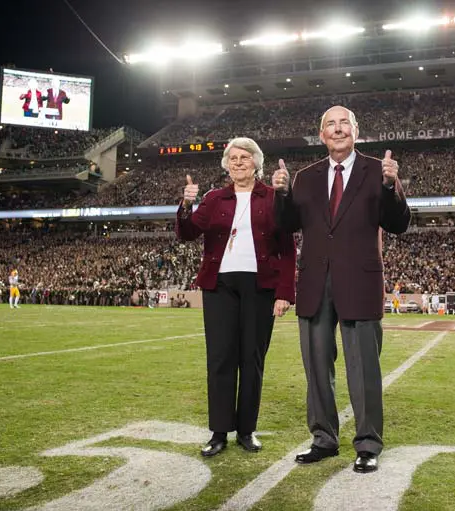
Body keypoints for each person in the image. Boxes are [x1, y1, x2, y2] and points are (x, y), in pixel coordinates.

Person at [273, 105, 411, 473]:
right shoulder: (304, 177)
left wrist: (390, 185)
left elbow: (399, 224)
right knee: (317, 367)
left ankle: (368, 444)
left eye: (343, 123)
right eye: (330, 125)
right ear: (321, 135)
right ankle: (324, 438)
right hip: (315, 283)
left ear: (356, 130)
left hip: (360, 281)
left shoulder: (376, 172)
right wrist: (282, 195)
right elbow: (286, 226)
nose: (337, 130)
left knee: (363, 367)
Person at [176, 137, 296, 457]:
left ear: (256, 163)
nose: (238, 162)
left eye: (244, 157)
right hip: (220, 287)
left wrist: (284, 293)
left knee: (252, 360)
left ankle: (246, 430)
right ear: (226, 164)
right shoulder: (215, 198)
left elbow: (287, 248)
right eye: (233, 158)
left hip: (260, 287)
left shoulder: (272, 198)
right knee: (220, 360)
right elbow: (188, 232)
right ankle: (218, 433)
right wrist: (187, 205)